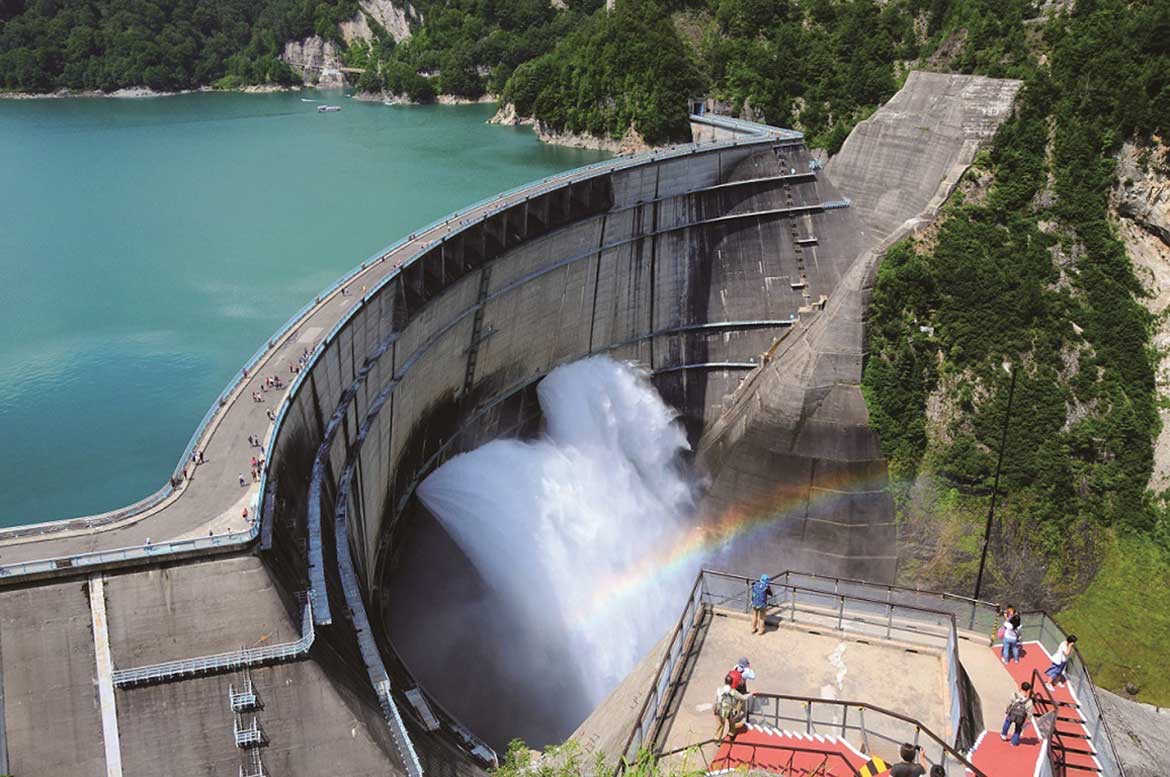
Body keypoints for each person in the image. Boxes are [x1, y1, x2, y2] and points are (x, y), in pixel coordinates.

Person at [713, 675, 752, 740]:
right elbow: (743, 698)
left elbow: (717, 699)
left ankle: (717, 739)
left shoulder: (719, 690)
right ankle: (731, 735)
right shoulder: (734, 692)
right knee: (732, 723)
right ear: (732, 682)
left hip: (718, 709)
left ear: (725, 681)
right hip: (729, 711)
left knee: (720, 725)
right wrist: (751, 693)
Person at [1001, 681, 1035, 746]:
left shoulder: (1014, 695)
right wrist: (1028, 719)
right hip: (1021, 717)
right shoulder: (1029, 701)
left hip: (1012, 713)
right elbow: (1029, 712)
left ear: (1021, 687)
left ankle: (1004, 735)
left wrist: (1006, 710)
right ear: (1028, 690)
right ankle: (1013, 742)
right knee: (1018, 729)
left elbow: (1009, 703)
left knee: (1007, 722)